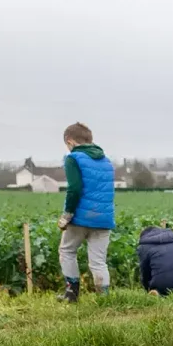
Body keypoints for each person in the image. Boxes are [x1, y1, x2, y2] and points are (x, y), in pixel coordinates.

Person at [56, 122, 115, 302]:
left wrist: (67, 215)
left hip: (81, 217)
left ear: (69, 141)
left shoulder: (73, 158)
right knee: (98, 261)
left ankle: (71, 294)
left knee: (67, 250)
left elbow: (74, 188)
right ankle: (104, 300)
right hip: (104, 218)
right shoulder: (106, 161)